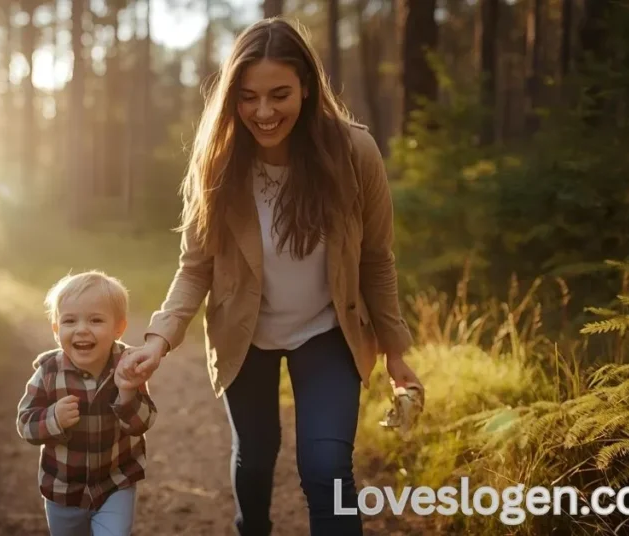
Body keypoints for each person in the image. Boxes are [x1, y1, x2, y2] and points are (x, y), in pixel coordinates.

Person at [119, 17, 422, 536]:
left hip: (329, 334)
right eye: (247, 97)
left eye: (279, 94)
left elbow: (376, 258)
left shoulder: (354, 153)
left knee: (327, 471)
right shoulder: (217, 162)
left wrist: (395, 350)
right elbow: (195, 268)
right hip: (247, 337)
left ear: (307, 85)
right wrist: (159, 339)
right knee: (256, 458)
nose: (263, 112)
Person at [16, 270, 157, 536]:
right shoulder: (48, 373)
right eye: (70, 321)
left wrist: (127, 393)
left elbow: (143, 422)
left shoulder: (127, 366)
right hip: (63, 489)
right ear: (56, 330)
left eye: (95, 320)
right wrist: (53, 418)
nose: (82, 329)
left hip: (115, 483)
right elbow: (25, 424)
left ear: (119, 327)